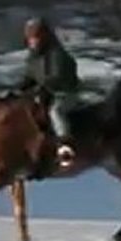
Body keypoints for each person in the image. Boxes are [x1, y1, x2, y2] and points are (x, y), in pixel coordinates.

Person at [20, 16, 81, 168]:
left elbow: (57, 77)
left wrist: (43, 87)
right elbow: (30, 77)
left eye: (35, 38)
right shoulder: (33, 58)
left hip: (64, 93)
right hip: (45, 93)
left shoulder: (57, 54)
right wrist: (21, 88)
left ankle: (65, 144)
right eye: (30, 38)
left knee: (56, 111)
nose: (32, 42)